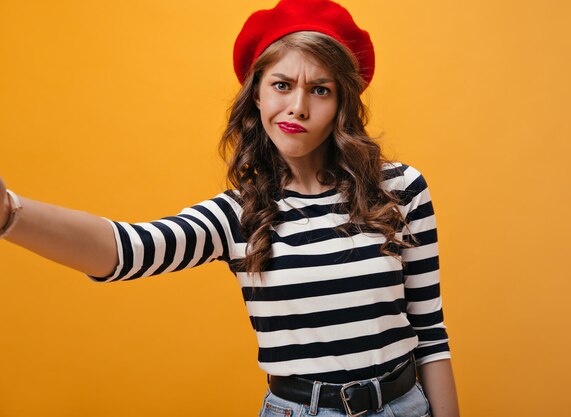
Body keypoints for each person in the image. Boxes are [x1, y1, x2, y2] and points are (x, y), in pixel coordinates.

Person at [0, 0, 460, 416]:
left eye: (320, 90)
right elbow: (125, 250)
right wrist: (10, 213)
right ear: (257, 93)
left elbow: (431, 331)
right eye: (281, 85)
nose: (297, 107)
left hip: (405, 407)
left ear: (341, 102)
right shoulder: (239, 214)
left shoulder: (399, 188)